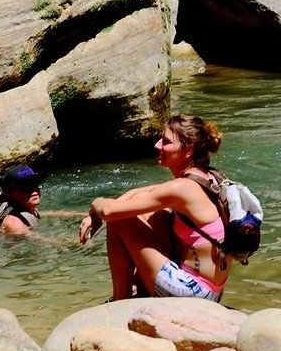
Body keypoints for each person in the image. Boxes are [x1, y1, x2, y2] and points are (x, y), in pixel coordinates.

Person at [78, 114, 232, 302]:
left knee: (119, 219)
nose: (157, 145)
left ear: (188, 151)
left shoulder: (181, 188)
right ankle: (139, 288)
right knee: (154, 213)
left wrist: (96, 204)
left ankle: (120, 301)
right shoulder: (208, 178)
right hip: (211, 290)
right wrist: (97, 215)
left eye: (166, 142)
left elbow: (110, 212)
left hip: (193, 293)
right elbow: (141, 193)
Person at [0, 164, 43, 235]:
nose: (34, 190)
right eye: (26, 187)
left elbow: (43, 214)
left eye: (34, 184)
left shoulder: (28, 209)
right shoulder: (15, 224)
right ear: (10, 195)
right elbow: (41, 241)